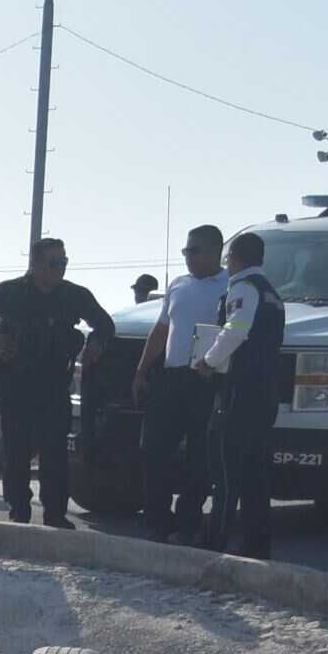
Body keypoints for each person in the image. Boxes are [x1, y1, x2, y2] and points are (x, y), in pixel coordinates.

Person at [0, 238, 115, 525]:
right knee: (17, 450)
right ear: (35, 264)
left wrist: (97, 342)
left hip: (53, 383)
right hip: (15, 381)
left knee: (55, 452)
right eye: (54, 263)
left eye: (64, 262)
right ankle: (18, 510)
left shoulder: (74, 295)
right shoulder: (9, 292)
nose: (60, 268)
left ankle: (55, 513)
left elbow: (105, 324)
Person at [131, 225, 230, 546]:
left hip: (206, 378)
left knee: (200, 455)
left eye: (194, 251)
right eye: (186, 251)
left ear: (215, 251)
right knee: (153, 449)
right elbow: (161, 331)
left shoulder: (231, 285)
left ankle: (188, 522)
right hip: (171, 377)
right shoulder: (178, 285)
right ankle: (157, 521)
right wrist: (142, 370)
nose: (188, 257)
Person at [194, 229, 287, 558]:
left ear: (235, 258)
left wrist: (207, 360)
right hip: (264, 392)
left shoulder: (244, 289)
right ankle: (256, 545)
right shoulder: (272, 294)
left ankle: (213, 542)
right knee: (255, 476)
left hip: (238, 392)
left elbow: (236, 330)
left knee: (225, 471)